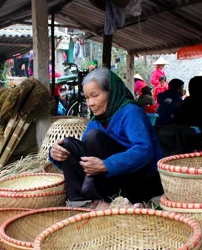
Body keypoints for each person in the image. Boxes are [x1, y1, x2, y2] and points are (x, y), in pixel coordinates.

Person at [49, 68, 163, 205]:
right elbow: (83, 156)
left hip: (141, 182)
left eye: (95, 95)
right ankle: (79, 202)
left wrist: (106, 165)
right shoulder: (97, 121)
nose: (90, 103)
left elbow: (144, 150)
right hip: (113, 182)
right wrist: (55, 154)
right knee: (67, 144)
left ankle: (102, 201)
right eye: (87, 98)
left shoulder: (131, 111)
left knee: (94, 138)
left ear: (110, 92)